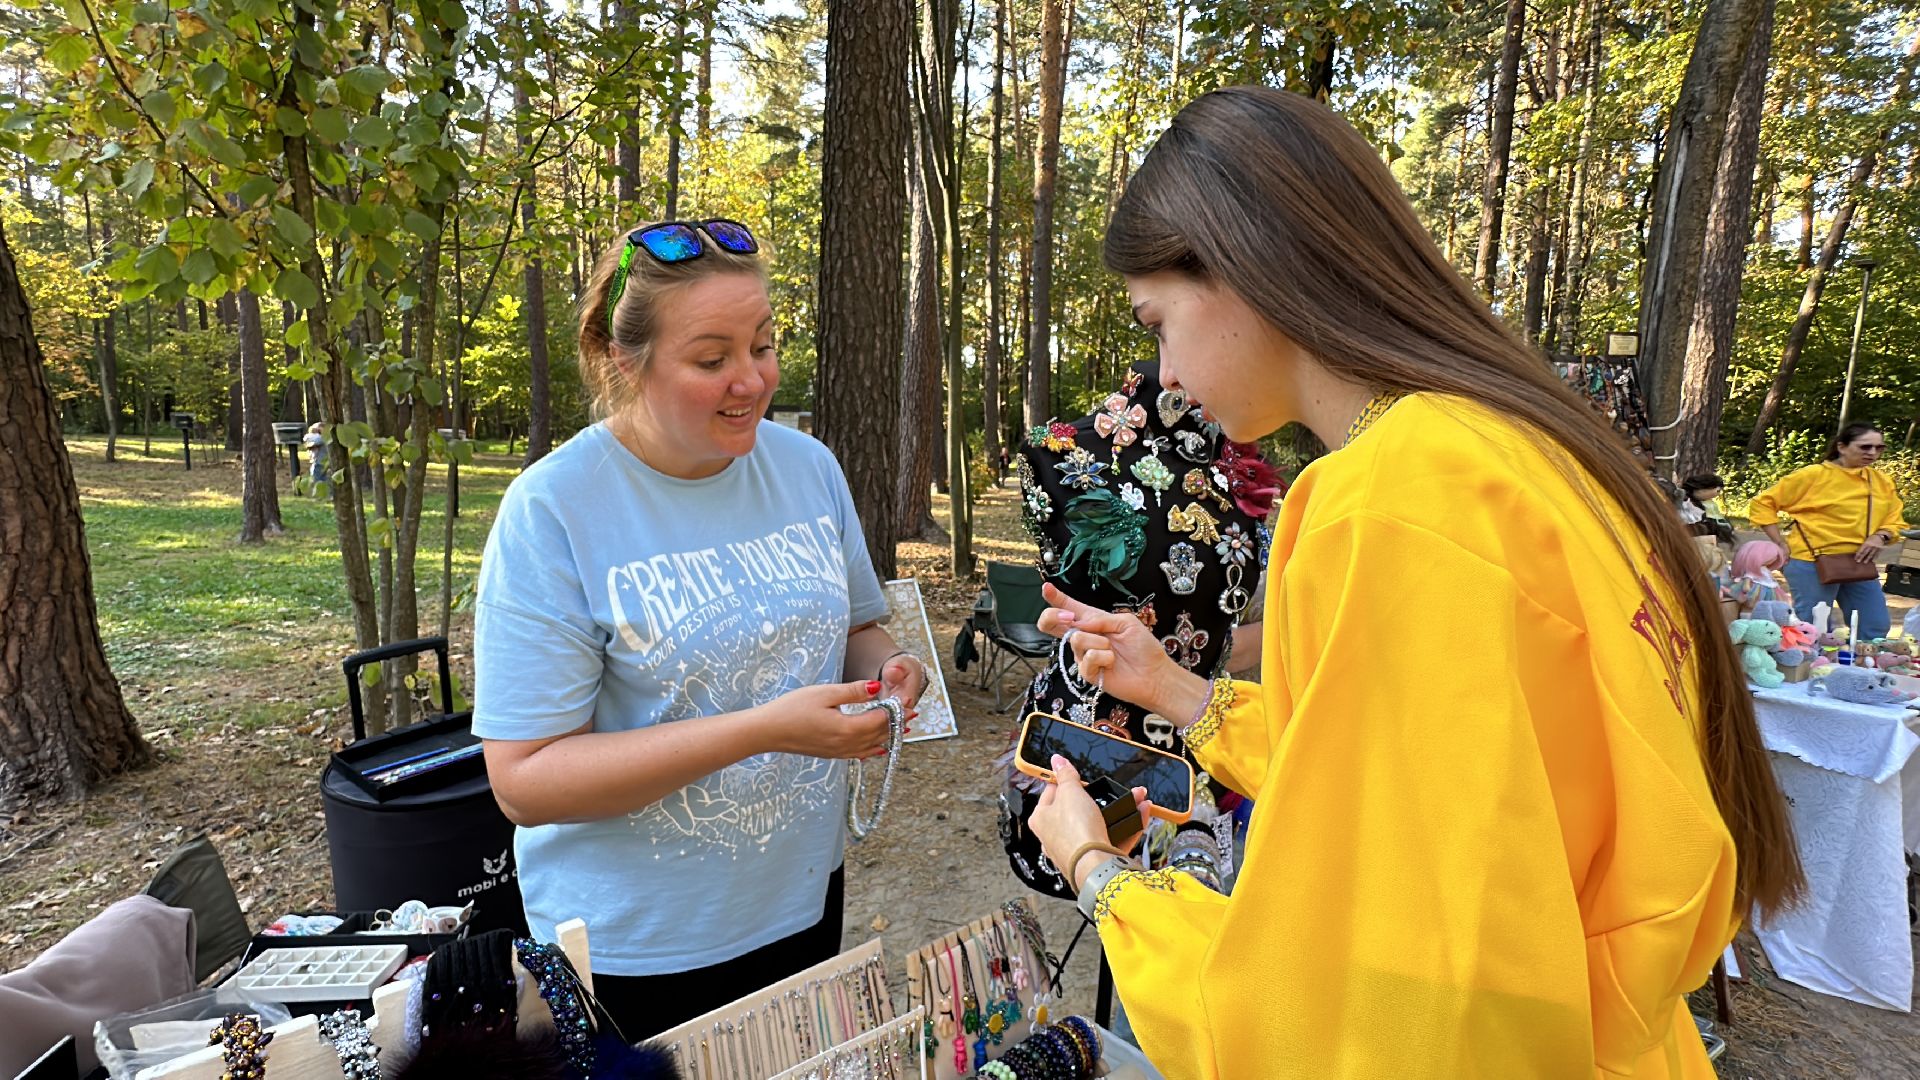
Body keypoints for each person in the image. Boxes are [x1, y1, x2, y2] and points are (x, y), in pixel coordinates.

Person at [1024, 88, 1801, 1079]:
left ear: (1239, 266)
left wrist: (1098, 872)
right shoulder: (1514, 449)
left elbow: (1344, 1012)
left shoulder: (1385, 505)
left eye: (1159, 321)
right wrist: (1180, 693)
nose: (1166, 373)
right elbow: (1420, 792)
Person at [471, 217, 927, 1039]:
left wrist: (890, 665)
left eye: (764, 345)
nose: (751, 379)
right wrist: (761, 731)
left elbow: (856, 624)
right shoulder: (554, 509)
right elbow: (525, 781)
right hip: (634, 949)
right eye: (712, 360)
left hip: (801, 899)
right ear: (626, 362)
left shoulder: (808, 467)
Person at [1747, 423, 1906, 639]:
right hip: (1811, 562)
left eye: (1879, 448)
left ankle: (1868, 660)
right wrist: (1779, 543)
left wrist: (1881, 536)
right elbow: (1762, 504)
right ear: (1842, 447)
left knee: (1874, 626)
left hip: (1859, 562)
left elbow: (1894, 518)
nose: (1872, 452)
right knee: (1813, 628)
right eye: (1865, 446)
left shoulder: (1881, 481)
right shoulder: (1813, 475)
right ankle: (1808, 661)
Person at [303, 422, 326, 492]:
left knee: (317, 480)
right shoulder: (320, 437)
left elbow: (307, 439)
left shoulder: (322, 437)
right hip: (320, 462)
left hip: (319, 462)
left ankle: (320, 493)